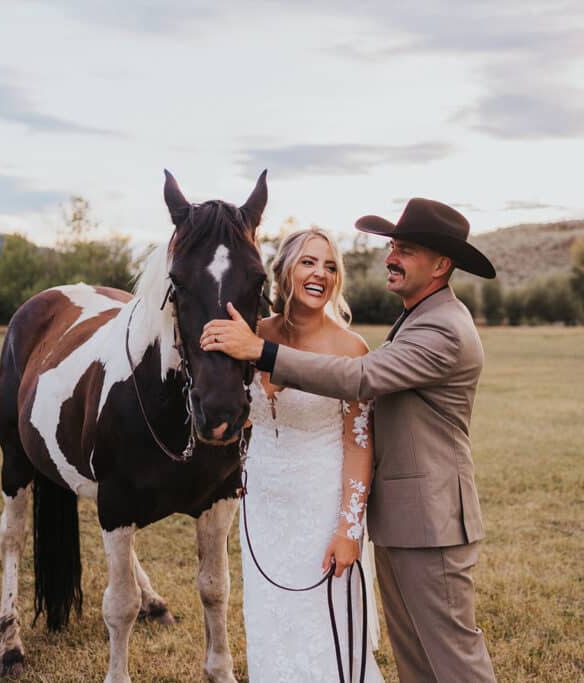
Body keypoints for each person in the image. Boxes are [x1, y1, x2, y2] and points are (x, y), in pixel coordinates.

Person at [203, 198, 498, 683]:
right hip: (400, 519)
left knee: (454, 661)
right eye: (393, 246)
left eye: (405, 249)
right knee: (417, 662)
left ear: (441, 265)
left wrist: (262, 352)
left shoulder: (445, 329)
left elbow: (361, 378)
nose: (391, 257)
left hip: (432, 521)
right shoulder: (416, 317)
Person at [236, 228, 385, 682]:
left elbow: (359, 444)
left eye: (330, 265)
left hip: (320, 507)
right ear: (284, 270)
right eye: (308, 262)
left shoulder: (350, 349)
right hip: (261, 505)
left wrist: (348, 527)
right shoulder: (253, 337)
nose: (320, 273)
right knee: (268, 621)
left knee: (325, 628)